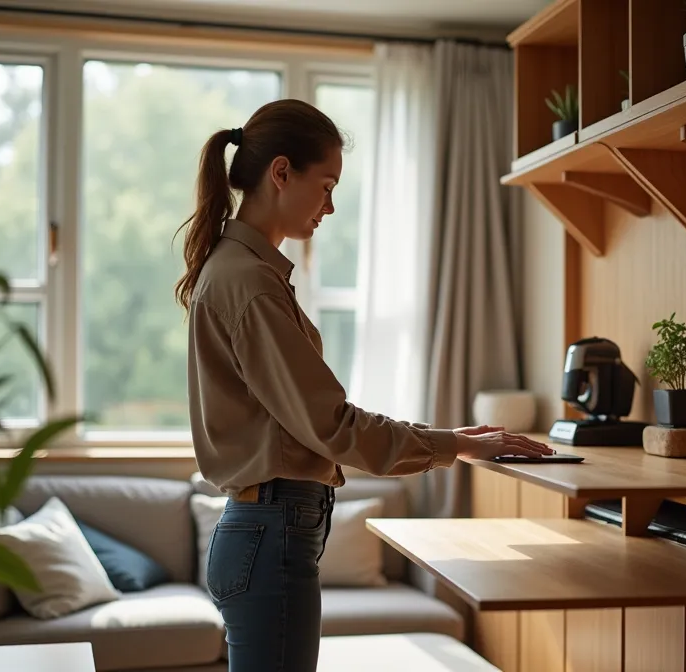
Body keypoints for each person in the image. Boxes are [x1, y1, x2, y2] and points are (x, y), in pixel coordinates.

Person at [177, 99, 553, 672]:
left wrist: (448, 441)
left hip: (265, 532)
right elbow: (331, 425)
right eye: (325, 185)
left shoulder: (244, 273)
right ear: (281, 173)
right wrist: (453, 445)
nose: (329, 206)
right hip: (269, 534)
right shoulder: (250, 283)